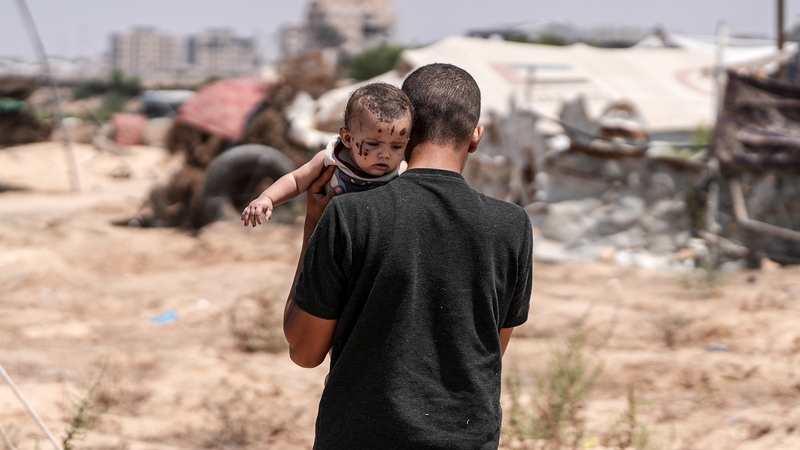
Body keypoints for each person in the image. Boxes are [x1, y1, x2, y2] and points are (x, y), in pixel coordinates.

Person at [284, 63, 533, 450]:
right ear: (476, 137)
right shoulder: (512, 226)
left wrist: (313, 222)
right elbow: (487, 351)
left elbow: (304, 350)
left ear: (407, 130)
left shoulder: (352, 216)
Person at [240, 82, 412, 227]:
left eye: (396, 146)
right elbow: (296, 180)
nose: (385, 154)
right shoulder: (332, 159)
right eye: (373, 144)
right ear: (347, 138)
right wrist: (267, 198)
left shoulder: (402, 172)